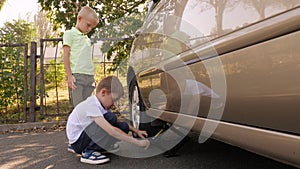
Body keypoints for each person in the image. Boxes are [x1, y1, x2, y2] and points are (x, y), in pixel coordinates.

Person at [66, 76, 150, 165]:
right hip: (78, 142)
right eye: (113, 100)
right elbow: (111, 131)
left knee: (122, 126)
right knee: (109, 119)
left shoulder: (102, 105)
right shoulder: (91, 105)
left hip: (84, 137)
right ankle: (88, 152)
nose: (114, 104)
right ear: (103, 92)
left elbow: (118, 123)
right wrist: (137, 143)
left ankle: (100, 147)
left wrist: (136, 131)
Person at [63, 6, 99, 107]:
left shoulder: (86, 39)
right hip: (77, 77)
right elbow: (66, 55)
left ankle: (88, 123)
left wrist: (92, 77)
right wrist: (69, 76)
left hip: (89, 77)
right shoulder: (69, 34)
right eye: (88, 25)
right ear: (79, 19)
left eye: (92, 27)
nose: (89, 29)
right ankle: (76, 123)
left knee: (88, 107)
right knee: (78, 108)